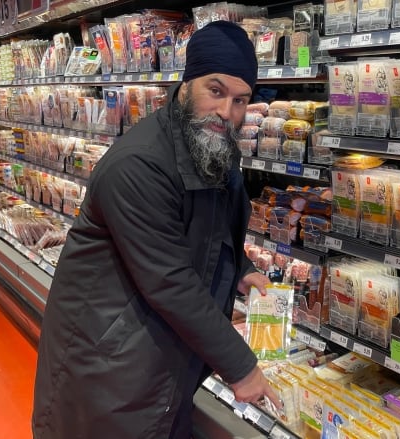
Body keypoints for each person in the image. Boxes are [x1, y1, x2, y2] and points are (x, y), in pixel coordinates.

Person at [32, 21, 280, 439]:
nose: (227, 112)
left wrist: (239, 268)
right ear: (186, 84)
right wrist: (240, 366)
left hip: (157, 359)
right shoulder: (139, 164)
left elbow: (208, 226)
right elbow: (169, 279)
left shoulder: (210, 145)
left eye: (241, 100)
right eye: (215, 91)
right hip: (106, 368)